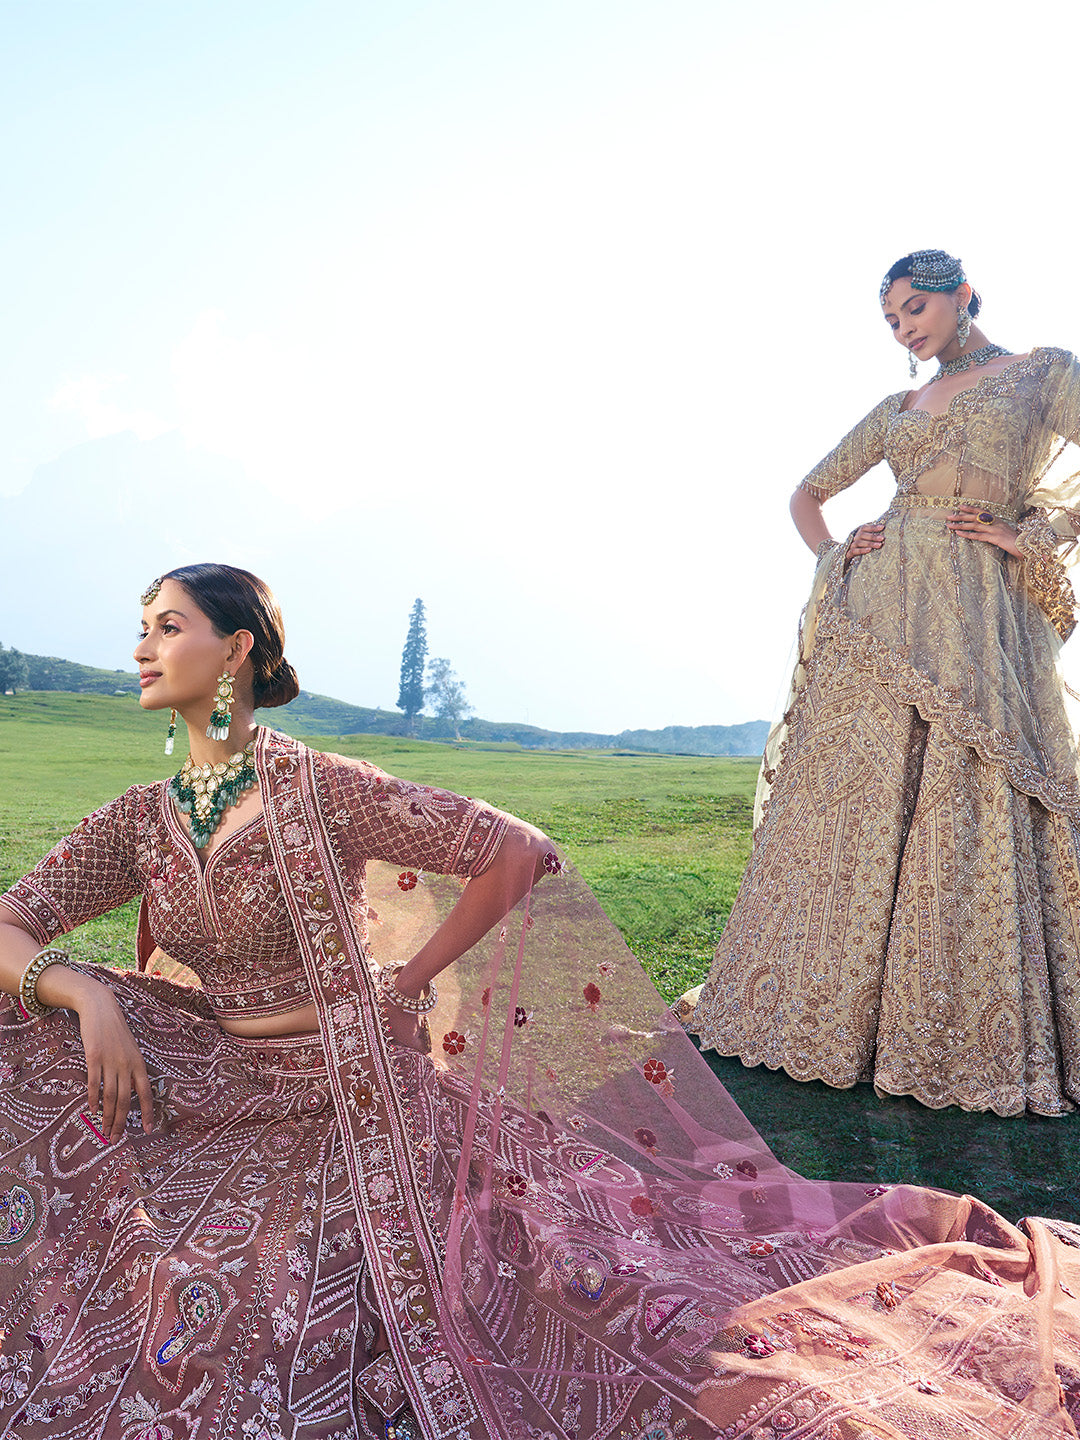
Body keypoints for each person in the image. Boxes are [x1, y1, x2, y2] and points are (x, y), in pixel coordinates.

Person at [4, 562, 1080, 1440]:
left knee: (282, 1275)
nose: (142, 646)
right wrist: (83, 996)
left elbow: (516, 852)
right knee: (29, 1021)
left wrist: (407, 984)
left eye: (168, 625)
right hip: (210, 1068)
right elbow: (11, 925)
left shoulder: (320, 786)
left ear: (236, 650)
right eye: (141, 627)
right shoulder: (138, 819)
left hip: (342, 1083)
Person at [688, 249, 1080, 1118]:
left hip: (980, 612)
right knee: (853, 797)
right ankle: (829, 1018)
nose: (906, 326)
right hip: (878, 614)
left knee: (972, 790)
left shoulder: (1043, 372)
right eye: (892, 318)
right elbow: (808, 492)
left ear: (964, 295)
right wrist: (835, 554)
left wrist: (1035, 533)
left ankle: (962, 1028)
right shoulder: (894, 407)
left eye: (917, 307)